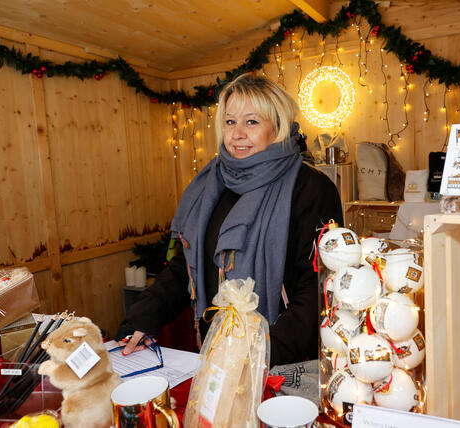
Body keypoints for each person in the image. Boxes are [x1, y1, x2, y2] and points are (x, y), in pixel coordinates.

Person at [117, 73, 343, 366]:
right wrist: (143, 317)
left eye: (251, 122)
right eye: (229, 121)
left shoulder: (310, 188)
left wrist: (262, 354)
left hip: (278, 361)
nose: (237, 133)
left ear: (277, 127)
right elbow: (185, 268)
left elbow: (319, 288)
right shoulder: (209, 185)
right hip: (216, 356)